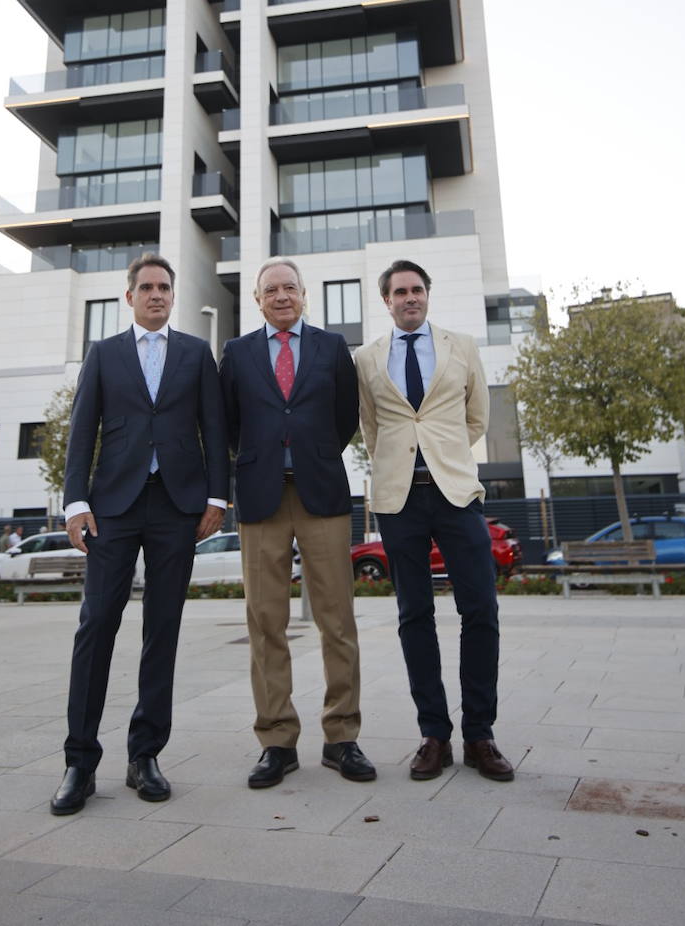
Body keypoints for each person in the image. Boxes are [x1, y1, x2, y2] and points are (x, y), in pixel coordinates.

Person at [50, 253, 229, 816]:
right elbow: (82, 431)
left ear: (173, 297)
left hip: (178, 506)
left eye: (164, 288)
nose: (156, 294)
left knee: (163, 629)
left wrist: (217, 497)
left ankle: (144, 755)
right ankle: (80, 762)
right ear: (129, 297)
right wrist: (75, 501)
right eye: (146, 287)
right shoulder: (103, 355)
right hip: (113, 508)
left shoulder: (197, 355)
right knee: (96, 624)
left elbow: (214, 428)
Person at [355, 259, 513, 783]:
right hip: (399, 501)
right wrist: (402, 462)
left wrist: (440, 455)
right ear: (387, 301)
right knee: (413, 615)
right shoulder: (367, 359)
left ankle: (480, 735)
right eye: (399, 292)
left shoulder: (461, 347)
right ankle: (434, 735)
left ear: (428, 294)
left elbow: (477, 419)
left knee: (481, 609)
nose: (409, 298)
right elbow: (371, 428)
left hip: (455, 493)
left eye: (417, 289)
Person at [219, 259, 375, 789]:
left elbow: (346, 416)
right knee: (266, 623)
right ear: (257, 301)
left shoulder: (333, 348)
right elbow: (229, 423)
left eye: (290, 288)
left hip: (322, 495)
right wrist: (263, 456)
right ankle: (277, 741)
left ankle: (342, 737)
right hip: (262, 498)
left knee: (338, 619)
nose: (281, 296)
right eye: (271, 290)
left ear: (304, 295)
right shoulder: (237, 353)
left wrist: (311, 451)